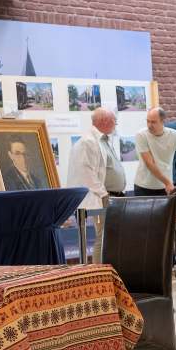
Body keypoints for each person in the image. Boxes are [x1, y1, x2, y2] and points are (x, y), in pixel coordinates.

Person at [66, 108, 121, 262]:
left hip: (100, 197)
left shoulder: (99, 140)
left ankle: (102, 271)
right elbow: (87, 174)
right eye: (114, 121)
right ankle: (98, 272)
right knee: (102, 237)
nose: (115, 124)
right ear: (104, 121)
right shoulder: (88, 142)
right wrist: (104, 194)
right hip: (96, 199)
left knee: (104, 237)